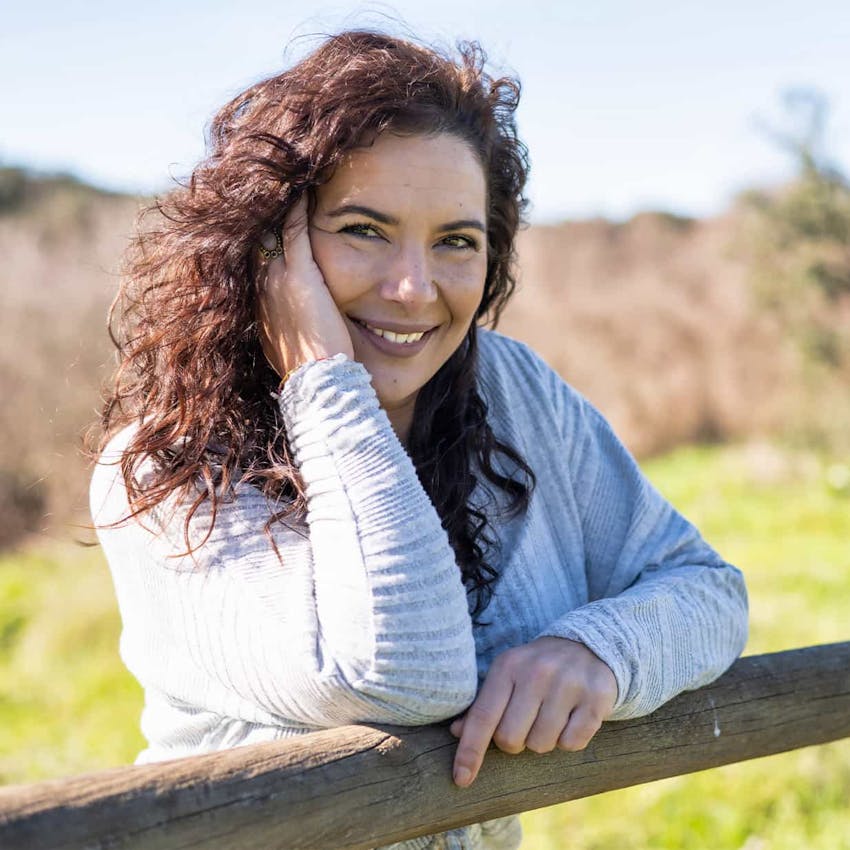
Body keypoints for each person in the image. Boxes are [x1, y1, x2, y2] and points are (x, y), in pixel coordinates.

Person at [90, 29, 748, 850]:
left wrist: (598, 649)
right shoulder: (163, 470)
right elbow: (400, 674)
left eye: (455, 242)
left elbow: (707, 590)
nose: (413, 288)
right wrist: (323, 380)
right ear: (268, 248)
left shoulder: (515, 394)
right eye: (364, 229)